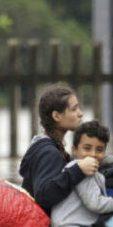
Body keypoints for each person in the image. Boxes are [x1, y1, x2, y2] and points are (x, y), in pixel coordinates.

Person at [50, 120, 113, 227]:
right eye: (87, 148)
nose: (93, 154)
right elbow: (96, 204)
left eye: (99, 150)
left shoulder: (89, 170)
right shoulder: (81, 168)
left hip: (72, 225)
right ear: (74, 150)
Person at [19, 84, 99, 215]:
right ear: (56, 116)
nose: (81, 113)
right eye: (74, 109)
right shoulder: (49, 152)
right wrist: (78, 170)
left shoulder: (46, 145)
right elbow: (44, 195)